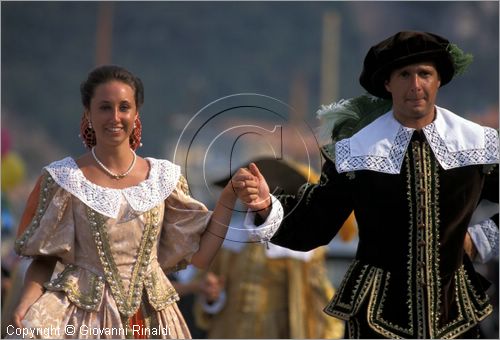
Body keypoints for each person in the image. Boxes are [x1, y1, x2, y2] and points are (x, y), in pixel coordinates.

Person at [238, 31, 499, 338]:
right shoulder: (357, 152)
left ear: (438, 79)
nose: (415, 85)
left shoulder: (476, 145)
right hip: (376, 315)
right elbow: (314, 224)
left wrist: (480, 239)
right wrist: (267, 206)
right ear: (388, 83)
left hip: (456, 313)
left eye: (424, 73)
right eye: (404, 74)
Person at [9, 65, 278, 339]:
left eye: (124, 107)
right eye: (104, 107)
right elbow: (45, 260)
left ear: (136, 114)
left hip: (151, 319)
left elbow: (201, 256)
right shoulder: (65, 179)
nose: (115, 117)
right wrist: (25, 303)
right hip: (83, 318)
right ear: (88, 114)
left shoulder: (163, 179)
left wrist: (228, 197)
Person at [192, 158, 353, 339]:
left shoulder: (302, 249)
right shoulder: (226, 239)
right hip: (228, 330)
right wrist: (211, 295)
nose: (251, 198)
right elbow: (204, 284)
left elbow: (314, 299)